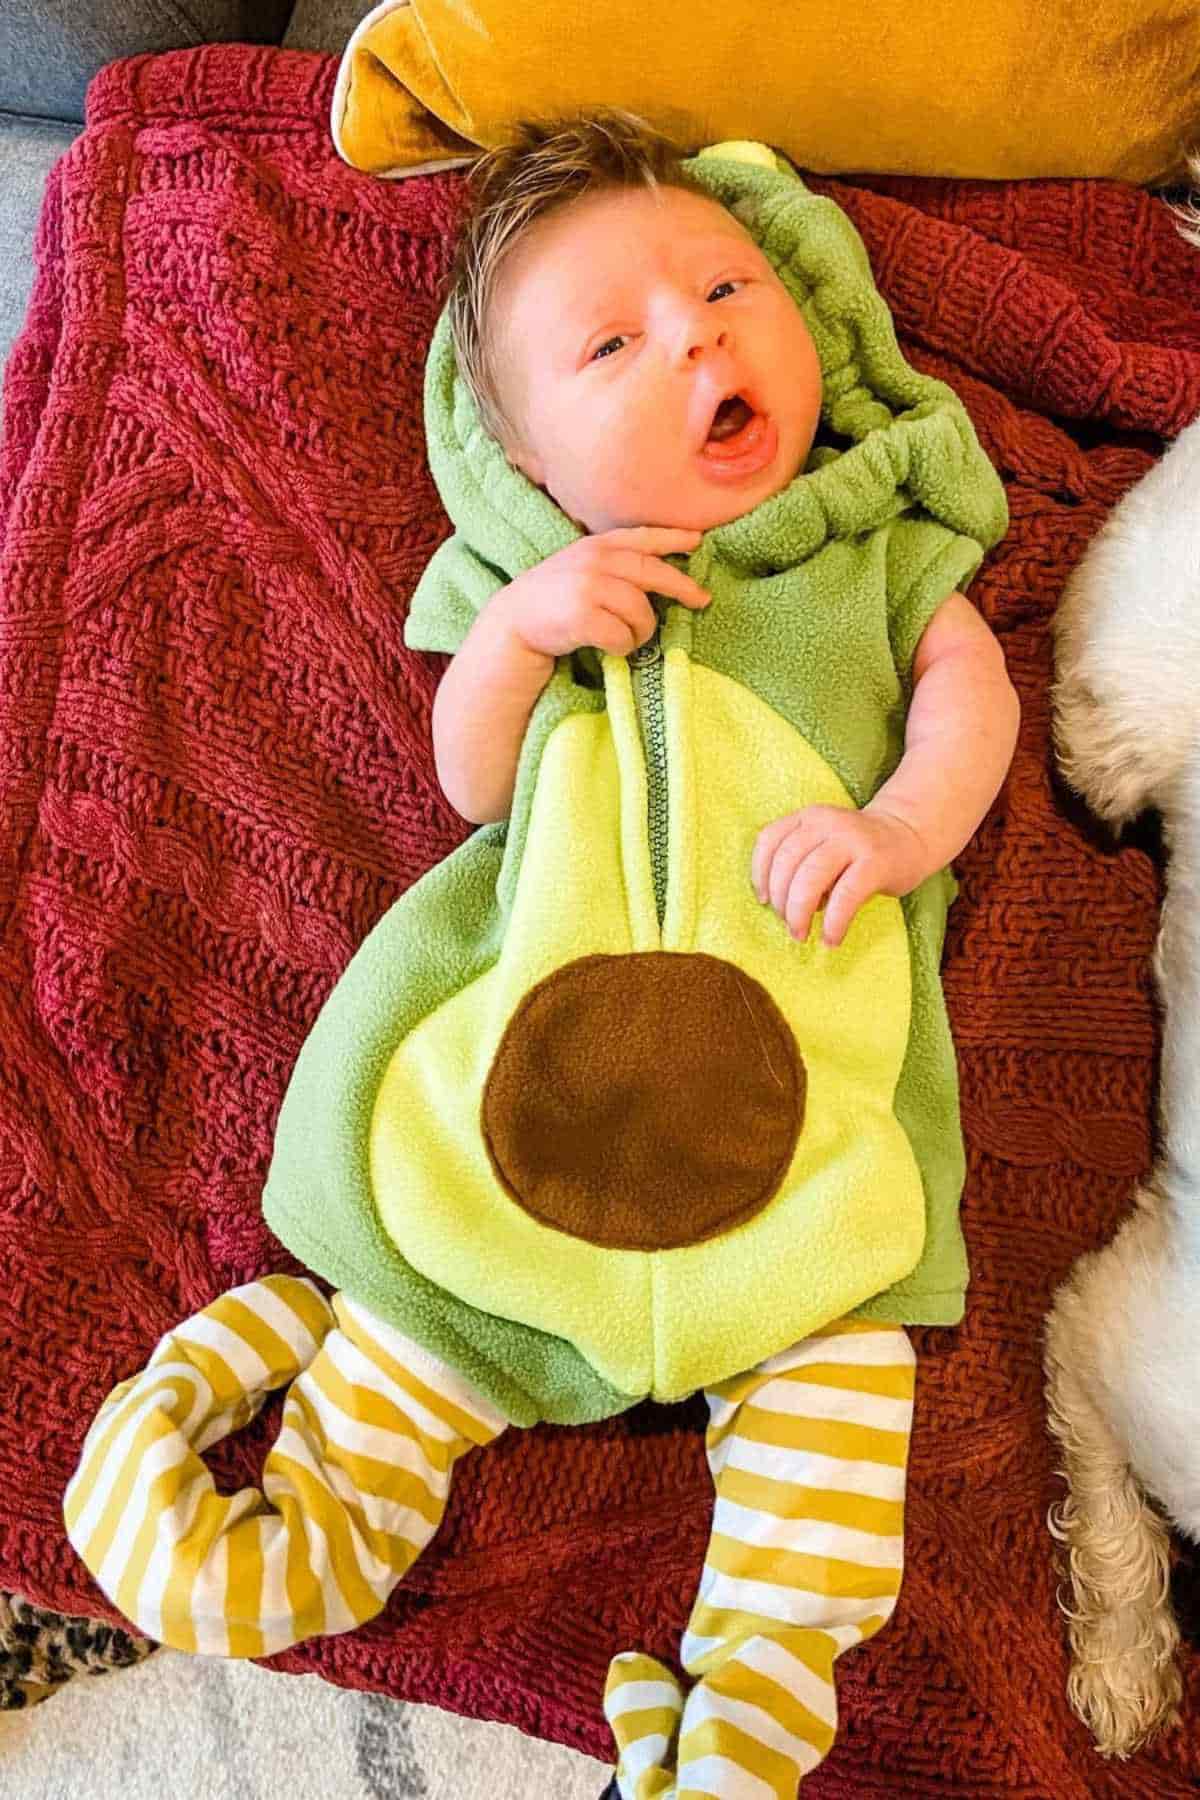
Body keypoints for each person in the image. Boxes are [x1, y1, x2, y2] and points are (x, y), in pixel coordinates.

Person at [64, 111, 1019, 1798]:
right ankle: (262, 1482)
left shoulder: (869, 553)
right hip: (521, 1115)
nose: (699, 338)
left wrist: (898, 831)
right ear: (526, 461)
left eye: (727, 286)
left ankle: (754, 1703)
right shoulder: (537, 586)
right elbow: (476, 787)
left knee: (832, 1423)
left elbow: (973, 697)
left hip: (805, 1141)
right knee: (417, 1308)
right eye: (611, 344)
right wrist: (516, 633)